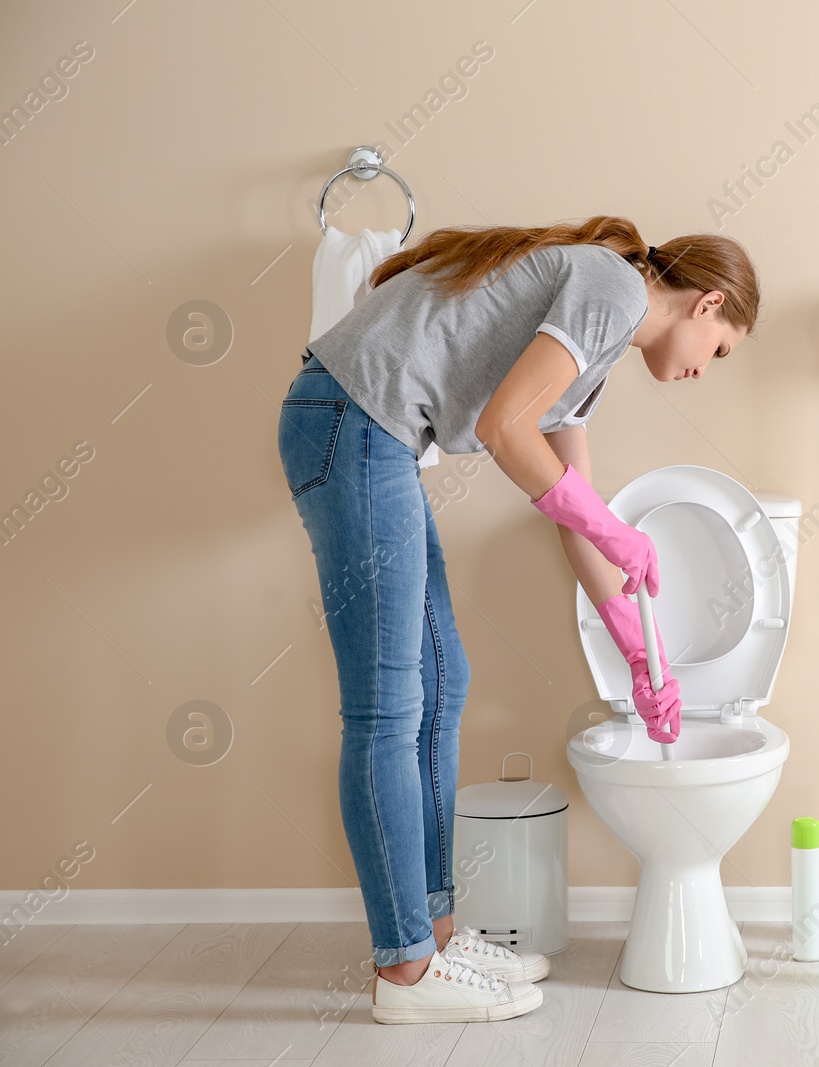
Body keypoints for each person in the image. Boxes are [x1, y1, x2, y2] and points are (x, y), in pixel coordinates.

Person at [275, 215, 759, 1023]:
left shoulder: (595, 360)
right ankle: (404, 972)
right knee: (387, 705)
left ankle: (433, 931)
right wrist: (614, 529)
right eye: (721, 351)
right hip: (350, 421)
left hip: (374, 435)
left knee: (442, 679)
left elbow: (573, 510)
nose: (706, 371)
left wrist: (643, 653)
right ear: (706, 304)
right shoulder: (610, 286)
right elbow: (506, 429)